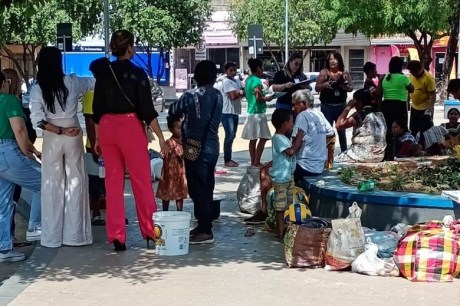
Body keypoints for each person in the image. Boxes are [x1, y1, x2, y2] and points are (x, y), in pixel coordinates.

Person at [91, 30, 167, 251]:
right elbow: (147, 110)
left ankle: (117, 236)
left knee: (112, 184)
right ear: (130, 47)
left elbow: (97, 110)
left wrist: (96, 138)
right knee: (141, 182)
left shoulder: (103, 74)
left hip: (106, 129)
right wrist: (160, 137)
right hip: (129, 127)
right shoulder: (138, 74)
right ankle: (150, 231)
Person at [30, 47, 93, 248]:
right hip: (73, 133)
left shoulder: (37, 88)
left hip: (52, 137)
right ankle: (75, 236)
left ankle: (52, 238)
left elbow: (37, 120)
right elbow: (94, 82)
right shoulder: (73, 81)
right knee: (76, 183)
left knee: (51, 186)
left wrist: (58, 130)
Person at [169, 60, 223, 244]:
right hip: (213, 147)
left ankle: (205, 230)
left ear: (196, 76)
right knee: (207, 186)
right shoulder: (218, 95)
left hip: (193, 147)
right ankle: (203, 225)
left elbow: (173, 110)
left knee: (197, 188)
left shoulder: (190, 95)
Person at [0, 71, 41, 262]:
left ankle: (4, 249)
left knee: (4, 203)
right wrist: (29, 153)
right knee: (45, 182)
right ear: (3, 84)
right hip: (7, 151)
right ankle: (35, 226)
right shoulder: (9, 100)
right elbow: (19, 129)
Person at [291, 89, 334, 183]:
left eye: (295, 104)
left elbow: (295, 146)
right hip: (319, 166)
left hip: (304, 165)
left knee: (271, 172)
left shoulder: (302, 116)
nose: (293, 108)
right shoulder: (319, 114)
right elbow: (331, 133)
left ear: (304, 104)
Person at [315, 51, 353, 152]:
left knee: (342, 131)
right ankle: (328, 156)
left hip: (341, 106)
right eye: (331, 59)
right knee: (328, 132)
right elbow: (316, 88)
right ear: (328, 61)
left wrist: (344, 86)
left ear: (339, 60)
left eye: (335, 59)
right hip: (327, 106)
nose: (333, 61)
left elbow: (351, 88)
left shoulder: (344, 72)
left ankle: (344, 153)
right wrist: (325, 85)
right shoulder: (324, 72)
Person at [335, 89, 387, 163]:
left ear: (359, 102)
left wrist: (348, 107)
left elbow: (339, 125)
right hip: (379, 155)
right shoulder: (380, 113)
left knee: (335, 161)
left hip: (362, 154)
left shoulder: (360, 114)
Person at [381, 56, 414, 160]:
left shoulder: (385, 77)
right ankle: (400, 152)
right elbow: (412, 89)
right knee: (401, 130)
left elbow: (379, 92)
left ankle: (388, 154)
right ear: (400, 67)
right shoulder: (403, 78)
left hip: (386, 106)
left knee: (389, 130)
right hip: (399, 106)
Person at [269, 109, 296, 239]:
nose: (293, 124)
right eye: (292, 122)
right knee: (280, 206)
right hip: (281, 178)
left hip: (288, 176)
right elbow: (290, 152)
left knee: (288, 204)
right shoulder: (278, 138)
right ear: (284, 124)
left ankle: (284, 227)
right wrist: (300, 139)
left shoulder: (283, 138)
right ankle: (280, 231)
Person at [241, 58, 273, 167]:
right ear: (259, 68)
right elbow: (259, 98)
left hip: (251, 111)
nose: (263, 69)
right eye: (262, 67)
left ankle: (253, 161)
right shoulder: (256, 81)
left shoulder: (248, 80)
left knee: (253, 139)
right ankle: (256, 161)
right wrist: (267, 98)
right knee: (263, 138)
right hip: (258, 112)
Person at [82, 89, 106, 226]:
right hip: (94, 145)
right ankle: (96, 213)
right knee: (95, 179)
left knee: (111, 178)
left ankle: (113, 211)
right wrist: (95, 146)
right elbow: (89, 120)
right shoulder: (91, 92)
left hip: (111, 143)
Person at [156, 116, 187, 212]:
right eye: (178, 128)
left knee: (180, 194)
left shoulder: (184, 142)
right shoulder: (169, 143)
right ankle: (165, 212)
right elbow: (163, 154)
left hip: (180, 174)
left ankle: (180, 212)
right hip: (169, 174)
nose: (181, 130)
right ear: (171, 129)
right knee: (166, 194)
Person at [220, 62, 244, 167]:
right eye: (230, 70)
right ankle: (227, 159)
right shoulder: (226, 82)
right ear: (226, 71)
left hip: (235, 112)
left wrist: (239, 92)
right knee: (229, 136)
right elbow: (233, 96)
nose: (233, 72)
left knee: (233, 135)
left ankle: (229, 157)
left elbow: (243, 91)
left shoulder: (237, 80)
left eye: (234, 70)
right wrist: (239, 93)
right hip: (227, 112)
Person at [407, 60, 436, 137]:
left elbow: (433, 95)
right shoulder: (412, 75)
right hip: (414, 107)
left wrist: (429, 109)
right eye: (411, 72)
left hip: (425, 109)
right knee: (413, 130)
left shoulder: (428, 78)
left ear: (420, 69)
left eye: (415, 72)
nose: (413, 74)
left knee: (425, 132)